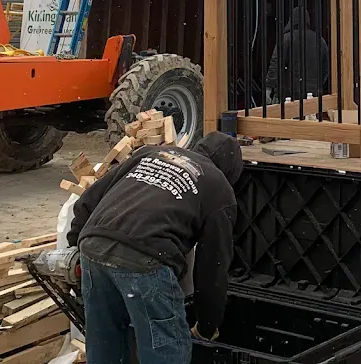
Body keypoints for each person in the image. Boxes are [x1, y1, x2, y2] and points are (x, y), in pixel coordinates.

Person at [68, 131, 243, 364]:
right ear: (230, 173)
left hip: (93, 245)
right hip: (146, 259)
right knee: (166, 349)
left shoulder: (152, 153)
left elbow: (86, 202)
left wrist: (74, 249)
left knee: (105, 343)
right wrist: (208, 326)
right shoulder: (218, 186)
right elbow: (212, 269)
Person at [264, 6, 330, 102]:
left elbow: (276, 63)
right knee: (309, 115)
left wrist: (269, 87)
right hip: (312, 93)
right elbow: (325, 68)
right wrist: (316, 83)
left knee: (285, 115)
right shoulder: (319, 40)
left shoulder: (287, 38)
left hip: (288, 92)